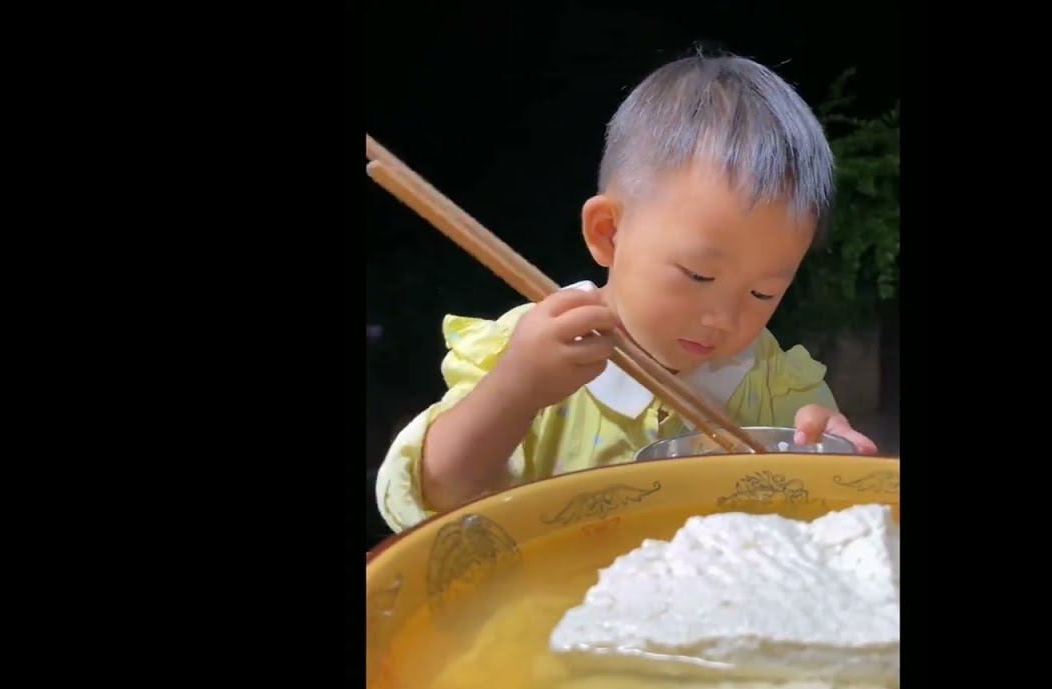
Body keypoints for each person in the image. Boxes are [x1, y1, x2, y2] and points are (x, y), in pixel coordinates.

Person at [375, 50, 878, 532]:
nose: (725, 318)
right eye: (698, 276)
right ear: (608, 233)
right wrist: (515, 389)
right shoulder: (534, 350)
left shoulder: (775, 386)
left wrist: (831, 460)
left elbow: (824, 519)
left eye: (763, 294)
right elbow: (428, 500)